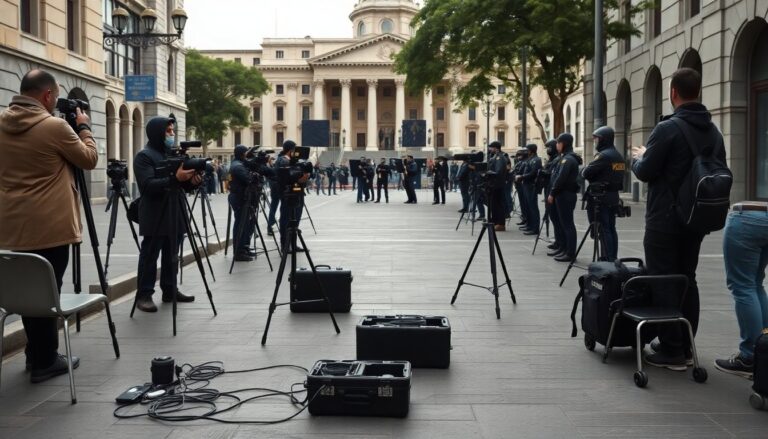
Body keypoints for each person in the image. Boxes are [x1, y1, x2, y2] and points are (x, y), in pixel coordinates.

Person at [0, 69, 96, 382]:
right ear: (47, 96)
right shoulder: (54, 126)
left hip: (13, 226)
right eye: (54, 97)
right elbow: (89, 158)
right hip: (51, 226)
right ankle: (46, 359)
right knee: (48, 292)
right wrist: (83, 128)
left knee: (28, 290)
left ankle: (35, 353)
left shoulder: (2, 123)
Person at [632, 67, 727, 370]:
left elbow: (647, 171)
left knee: (663, 279)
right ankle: (686, 345)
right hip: (696, 218)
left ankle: (671, 349)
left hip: (665, 218)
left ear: (673, 92)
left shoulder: (667, 128)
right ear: (698, 91)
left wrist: (639, 157)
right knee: (689, 279)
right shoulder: (713, 131)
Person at [133, 116, 199, 313]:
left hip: (175, 211)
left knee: (172, 255)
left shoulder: (172, 154)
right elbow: (147, 186)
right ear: (157, 132)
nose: (171, 134)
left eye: (172, 131)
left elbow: (182, 185)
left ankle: (170, 289)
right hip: (154, 213)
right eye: (168, 131)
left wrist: (192, 181)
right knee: (150, 256)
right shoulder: (144, 156)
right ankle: (144, 294)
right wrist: (175, 178)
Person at [714, 202, 767, 379]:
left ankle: (749, 357)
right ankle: (763, 349)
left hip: (747, 220)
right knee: (756, 285)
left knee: (743, 286)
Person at [581, 126, 625, 261]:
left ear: (604, 139)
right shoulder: (618, 155)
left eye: (597, 139)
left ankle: (606, 258)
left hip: (602, 197)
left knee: (603, 229)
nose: (595, 142)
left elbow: (585, 173)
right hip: (613, 196)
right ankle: (612, 257)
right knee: (611, 228)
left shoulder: (603, 155)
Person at [547, 133, 581, 262]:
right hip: (562, 194)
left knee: (567, 224)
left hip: (565, 194)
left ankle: (570, 252)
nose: (556, 145)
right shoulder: (564, 158)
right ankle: (563, 248)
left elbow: (561, 178)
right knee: (562, 223)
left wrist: (552, 193)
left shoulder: (568, 159)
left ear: (564, 143)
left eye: (558, 142)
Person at [228, 145, 257, 262]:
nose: (247, 155)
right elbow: (249, 179)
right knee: (241, 224)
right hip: (239, 197)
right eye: (246, 153)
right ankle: (239, 252)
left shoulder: (238, 164)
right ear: (242, 154)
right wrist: (254, 176)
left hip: (241, 197)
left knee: (246, 224)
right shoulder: (238, 166)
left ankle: (244, 248)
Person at [267, 145, 293, 236]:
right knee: (277, 205)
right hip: (277, 186)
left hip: (276, 185)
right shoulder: (283, 159)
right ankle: (271, 225)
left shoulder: (280, 158)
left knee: (275, 205)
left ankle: (271, 224)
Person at [518, 144, 542, 235]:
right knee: (527, 206)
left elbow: (533, 173)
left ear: (531, 150)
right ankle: (529, 224)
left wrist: (522, 176)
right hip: (526, 185)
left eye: (527, 150)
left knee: (533, 207)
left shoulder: (536, 160)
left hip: (531, 186)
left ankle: (535, 228)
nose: (525, 152)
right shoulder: (530, 159)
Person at [487, 141, 510, 231]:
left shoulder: (499, 158)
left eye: (491, 147)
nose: (490, 149)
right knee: (494, 204)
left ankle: (500, 223)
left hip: (497, 184)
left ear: (496, 148)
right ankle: (495, 221)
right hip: (494, 184)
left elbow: (499, 171)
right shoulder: (495, 156)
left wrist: (489, 173)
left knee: (498, 204)